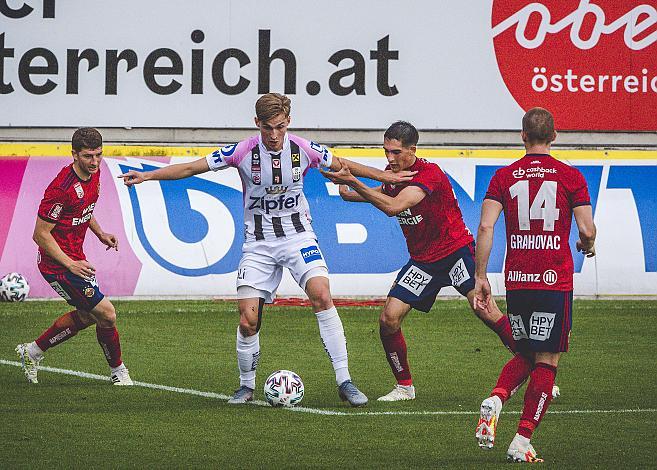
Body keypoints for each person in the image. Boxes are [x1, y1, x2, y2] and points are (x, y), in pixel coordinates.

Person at [119, 93, 415, 406]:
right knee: (248, 320)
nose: (274, 135)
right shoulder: (242, 151)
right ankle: (246, 387)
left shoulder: (304, 148)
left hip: (298, 237)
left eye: (280, 127)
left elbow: (343, 164)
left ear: (288, 123)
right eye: (268, 128)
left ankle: (345, 381)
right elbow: (193, 168)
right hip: (258, 244)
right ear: (257, 124)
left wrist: (383, 175)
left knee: (321, 294)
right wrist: (149, 175)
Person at [321, 121, 517, 402]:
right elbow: (376, 196)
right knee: (388, 319)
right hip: (423, 262)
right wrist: (345, 188)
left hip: (455, 253)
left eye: (396, 152)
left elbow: (393, 206)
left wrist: (354, 181)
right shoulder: (392, 174)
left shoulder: (430, 174)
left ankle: (533, 368)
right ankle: (405, 387)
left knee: (485, 310)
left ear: (412, 149)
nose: (389, 158)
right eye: (386, 151)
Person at [473, 108, 596, 462]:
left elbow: (485, 228)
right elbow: (586, 230)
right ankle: (522, 441)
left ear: (523, 136)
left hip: (518, 279)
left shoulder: (503, 177)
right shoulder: (571, 177)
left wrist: (481, 277)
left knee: (526, 350)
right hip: (553, 278)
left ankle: (496, 397)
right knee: (548, 357)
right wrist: (586, 246)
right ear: (554, 136)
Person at [16, 127, 133, 386]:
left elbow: (84, 208)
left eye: (99, 155)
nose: (95, 162)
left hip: (75, 260)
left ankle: (32, 351)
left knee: (90, 315)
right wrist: (70, 264)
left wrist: (100, 232)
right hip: (57, 265)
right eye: (88, 156)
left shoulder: (94, 173)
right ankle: (118, 372)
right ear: (74, 154)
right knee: (107, 314)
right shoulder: (60, 189)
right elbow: (40, 235)